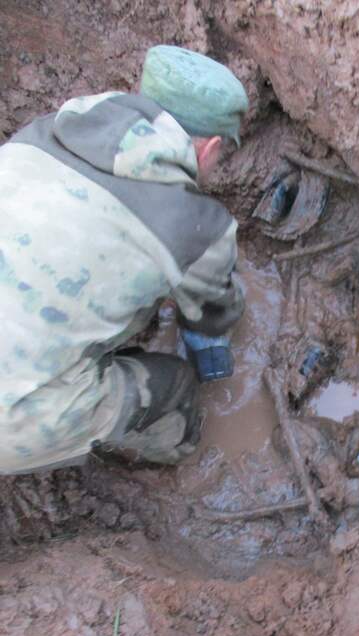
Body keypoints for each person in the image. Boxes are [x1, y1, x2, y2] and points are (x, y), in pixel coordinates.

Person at [0, 45, 249, 474]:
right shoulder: (196, 228)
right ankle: (171, 463)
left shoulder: (36, 138)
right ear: (208, 148)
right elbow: (211, 318)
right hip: (15, 418)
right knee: (176, 390)